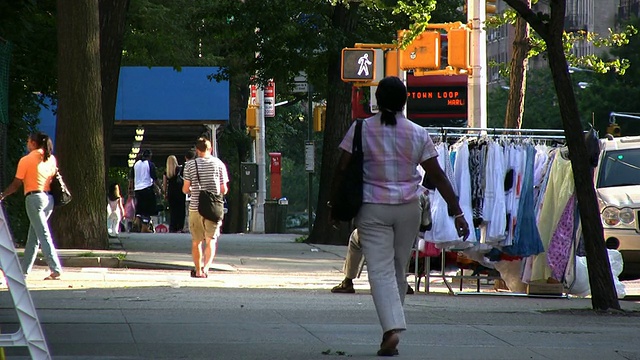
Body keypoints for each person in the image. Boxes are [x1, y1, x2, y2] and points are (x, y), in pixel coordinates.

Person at [329, 76, 470, 357]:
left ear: (377, 101)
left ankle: (392, 329)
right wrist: (457, 213)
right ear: (405, 101)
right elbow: (437, 175)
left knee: (380, 271)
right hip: (408, 209)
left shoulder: (360, 129)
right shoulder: (418, 132)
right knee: (396, 269)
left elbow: (341, 168)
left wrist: (334, 205)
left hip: (372, 208)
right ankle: (389, 332)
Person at [0, 132, 64, 280]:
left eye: (28, 141)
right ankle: (23, 272)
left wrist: (3, 195)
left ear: (34, 144)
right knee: (33, 238)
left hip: (34, 199)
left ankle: (55, 269)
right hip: (49, 200)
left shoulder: (26, 160)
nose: (27, 144)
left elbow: (16, 184)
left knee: (43, 234)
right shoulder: (51, 159)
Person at [182, 137, 229, 278]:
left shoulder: (190, 166)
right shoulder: (219, 164)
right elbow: (224, 189)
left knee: (196, 241)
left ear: (197, 150)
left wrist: (193, 191)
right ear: (211, 149)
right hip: (213, 207)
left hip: (196, 207)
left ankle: (197, 271)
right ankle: (206, 269)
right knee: (211, 240)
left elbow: (185, 189)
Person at [331, 229, 415, 295]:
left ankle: (348, 280)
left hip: (376, 237)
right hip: (406, 239)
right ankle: (401, 279)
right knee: (406, 242)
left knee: (354, 237)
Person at [129, 149, 158, 233]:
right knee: (147, 208)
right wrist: (160, 189)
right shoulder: (150, 164)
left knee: (140, 207)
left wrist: (130, 189)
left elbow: (131, 178)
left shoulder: (136, 164)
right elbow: (154, 178)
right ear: (149, 156)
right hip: (147, 189)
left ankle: (137, 221)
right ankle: (144, 227)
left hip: (137, 189)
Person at [163, 155, 185, 232]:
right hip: (180, 192)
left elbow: (165, 184)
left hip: (171, 192)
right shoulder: (179, 169)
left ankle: (173, 227)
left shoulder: (167, 172)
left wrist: (165, 194)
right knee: (181, 210)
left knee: (173, 211)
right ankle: (180, 226)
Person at [182, 149, 196, 233]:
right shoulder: (198, 165)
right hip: (197, 191)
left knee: (188, 210)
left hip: (189, 192)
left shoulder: (186, 166)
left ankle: (187, 227)